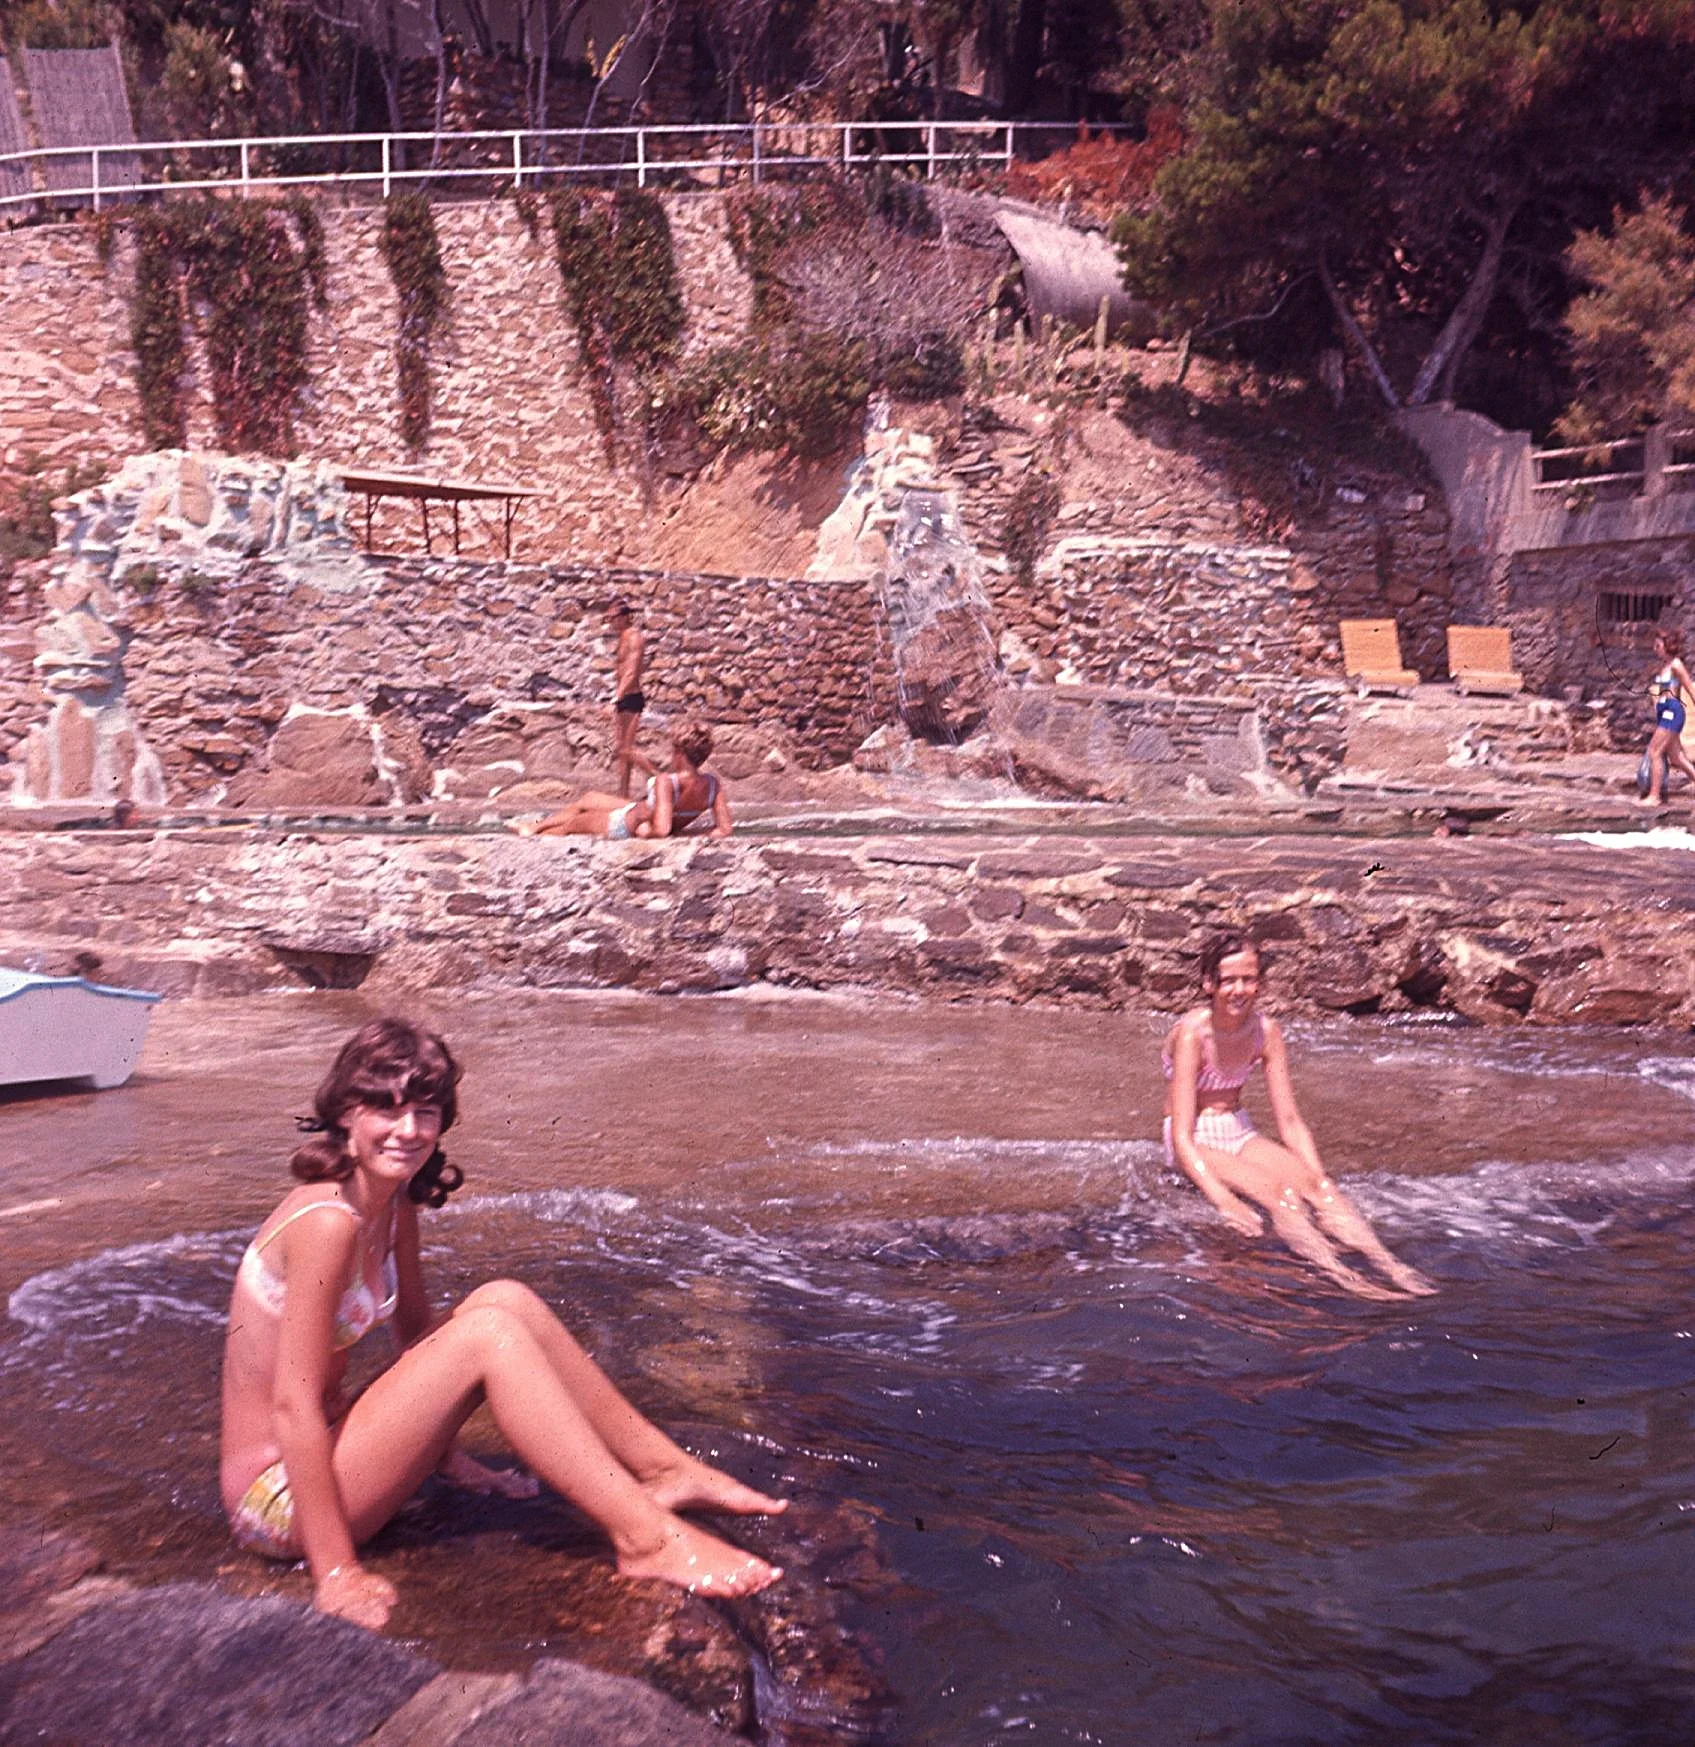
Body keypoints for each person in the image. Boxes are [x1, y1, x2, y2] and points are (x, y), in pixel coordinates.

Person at [221, 1018, 785, 1630]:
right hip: (277, 1504)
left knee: (504, 1300)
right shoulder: (326, 1221)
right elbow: (293, 1407)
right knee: (487, 1337)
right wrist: (336, 1573)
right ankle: (645, 1539)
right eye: (387, 1109)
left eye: (426, 1113)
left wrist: (447, 1458)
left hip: (332, 1455)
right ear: (345, 1114)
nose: (408, 1131)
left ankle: (664, 1470)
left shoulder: (392, 1202)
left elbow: (417, 1338)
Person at [1161, 930, 1436, 1302]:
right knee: (1282, 1196)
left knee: (1320, 1190)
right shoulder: (1192, 1035)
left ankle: (1391, 1267)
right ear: (1209, 983)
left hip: (1237, 1128)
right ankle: (1343, 1277)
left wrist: (1316, 1175)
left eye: (1249, 979)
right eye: (1228, 981)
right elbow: (1181, 1136)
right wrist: (1225, 1201)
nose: (1239, 990)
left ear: (1260, 982)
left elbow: (1289, 1121)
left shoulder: (1266, 1031)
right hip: (1194, 1136)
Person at [515, 721, 732, 842]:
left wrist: (645, 830)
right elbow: (724, 829)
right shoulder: (712, 784)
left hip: (623, 824)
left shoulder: (666, 781)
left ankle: (532, 836)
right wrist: (688, 833)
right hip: (635, 809)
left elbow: (661, 829)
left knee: (570, 826)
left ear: (679, 753)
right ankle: (534, 826)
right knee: (589, 799)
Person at [1638, 628, 1695, 807]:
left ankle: (1655, 796)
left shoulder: (1676, 665)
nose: (1655, 648)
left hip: (1673, 712)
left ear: (1667, 645)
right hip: (1665, 713)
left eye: (1658, 645)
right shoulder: (1665, 666)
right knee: (1677, 758)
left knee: (1655, 752)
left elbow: (1690, 689)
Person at [608, 600, 647, 798]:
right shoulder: (622, 636)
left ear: (625, 617)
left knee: (627, 750)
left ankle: (658, 777)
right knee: (622, 750)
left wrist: (616, 698)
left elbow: (631, 672)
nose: (610, 622)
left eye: (613, 618)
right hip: (623, 697)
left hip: (630, 697)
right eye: (608, 618)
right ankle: (623, 794)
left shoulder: (634, 638)